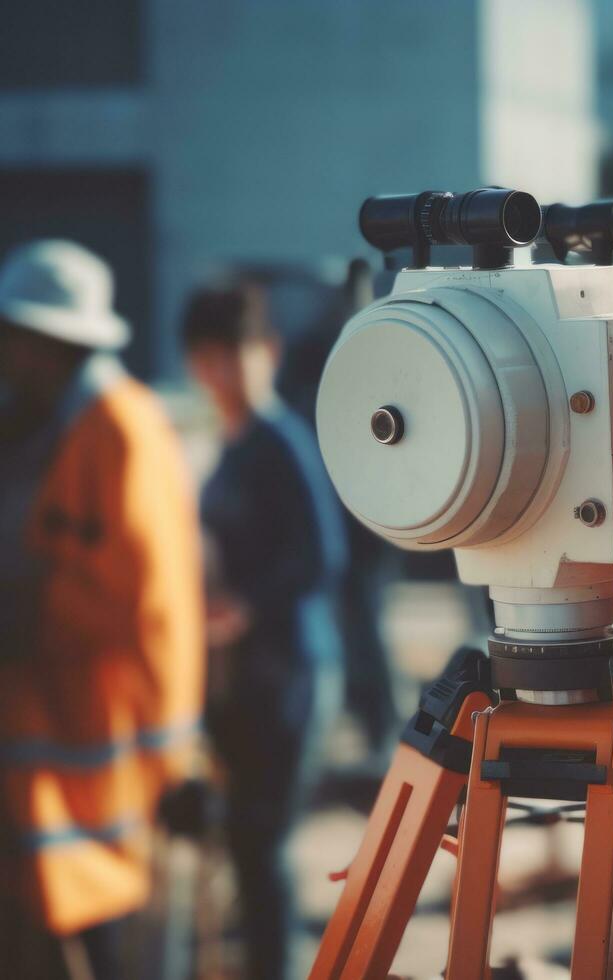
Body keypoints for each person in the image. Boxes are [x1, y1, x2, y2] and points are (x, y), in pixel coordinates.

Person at [0, 240, 204, 979]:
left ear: (47, 341)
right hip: (57, 754)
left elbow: (153, 610)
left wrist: (174, 756)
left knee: (107, 942)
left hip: (103, 753)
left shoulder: (117, 429)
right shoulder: (53, 425)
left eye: (12, 338)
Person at [183, 280, 346, 980]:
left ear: (267, 353)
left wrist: (244, 607)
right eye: (209, 358)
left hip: (291, 677)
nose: (223, 373)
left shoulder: (281, 441)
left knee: (265, 848)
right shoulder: (223, 446)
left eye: (237, 354)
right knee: (247, 851)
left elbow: (322, 556)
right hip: (241, 680)